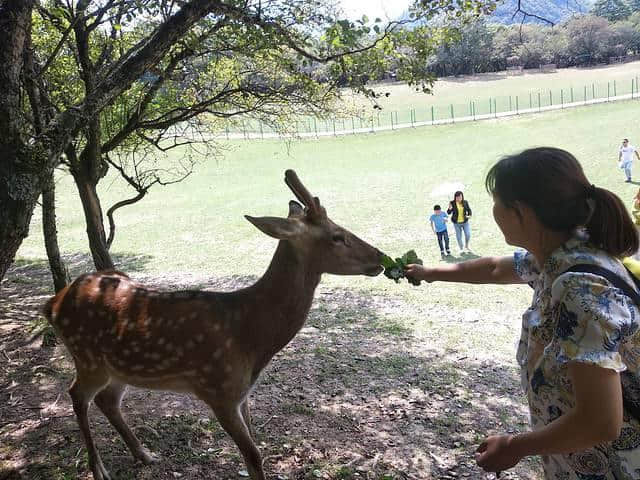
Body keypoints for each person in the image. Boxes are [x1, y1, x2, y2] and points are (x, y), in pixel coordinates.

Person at [406, 147, 640, 479]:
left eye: (497, 201)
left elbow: (599, 422)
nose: (493, 210)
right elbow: (493, 269)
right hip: (579, 462)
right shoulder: (560, 253)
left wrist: (516, 446)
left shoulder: (579, 289)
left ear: (522, 213)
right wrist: (430, 272)